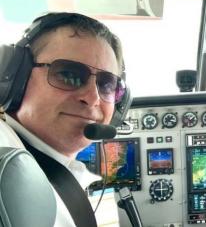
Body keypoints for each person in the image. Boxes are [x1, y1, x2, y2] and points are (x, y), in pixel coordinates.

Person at [0, 12, 127, 226]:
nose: (92, 98)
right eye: (69, 74)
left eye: (106, 84)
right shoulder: (8, 174)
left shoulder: (44, 166)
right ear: (15, 78)